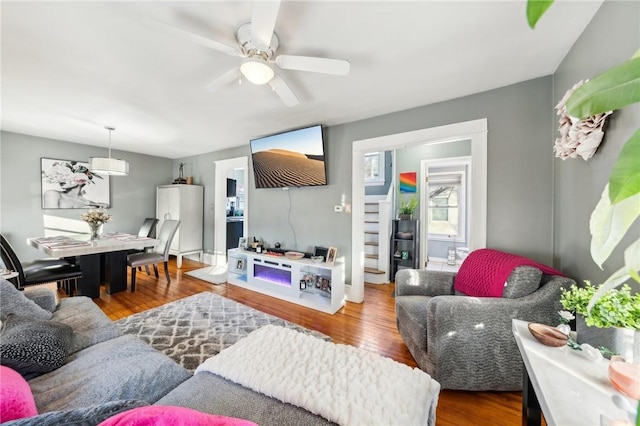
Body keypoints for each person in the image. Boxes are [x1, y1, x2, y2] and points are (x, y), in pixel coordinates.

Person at [42, 161, 107, 208]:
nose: (61, 179)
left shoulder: (89, 203)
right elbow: (50, 218)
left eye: (66, 175)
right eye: (59, 176)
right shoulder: (52, 194)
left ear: (82, 179)